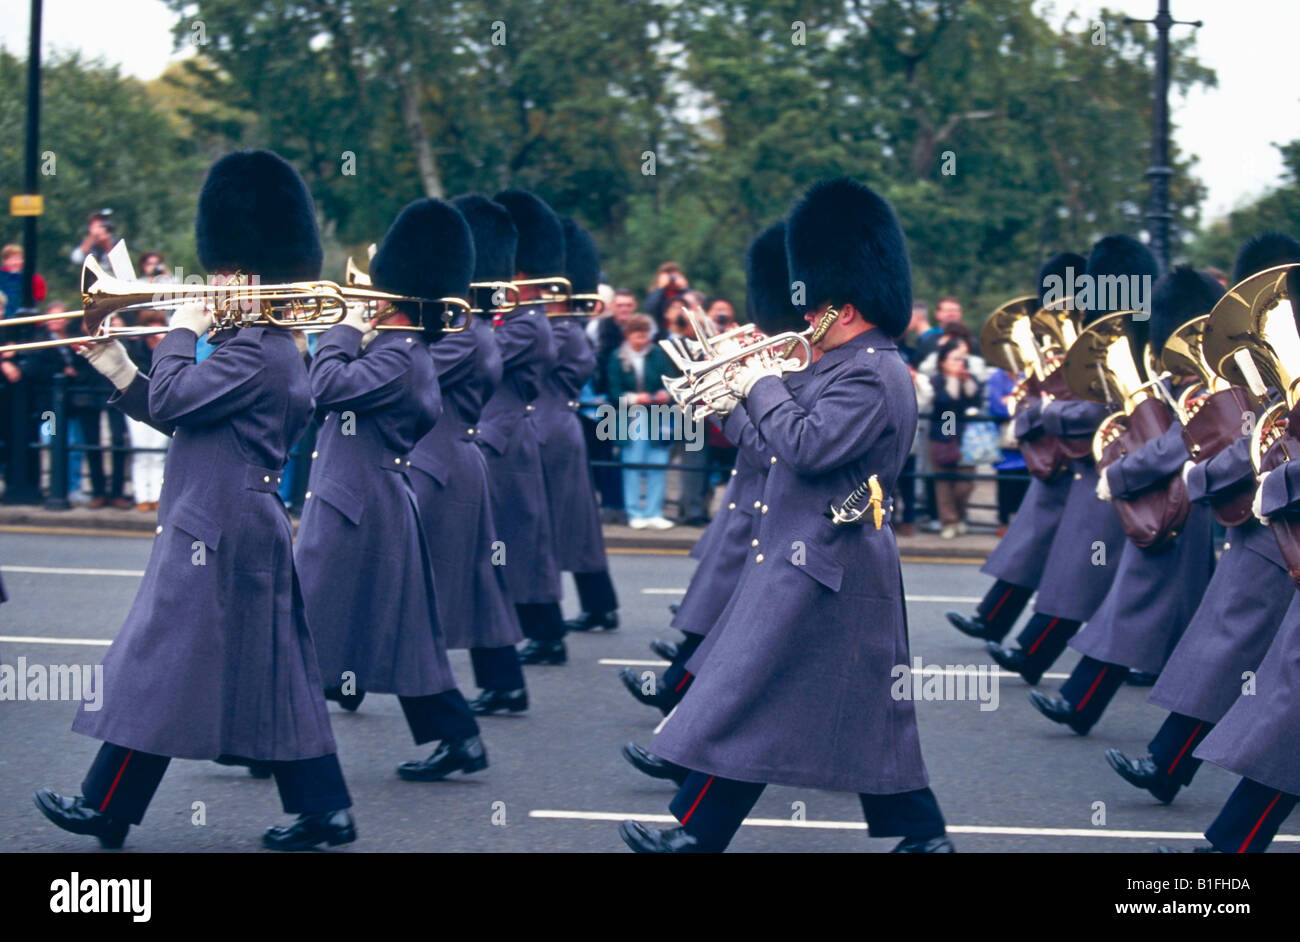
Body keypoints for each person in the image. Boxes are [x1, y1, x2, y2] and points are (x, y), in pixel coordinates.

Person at [34, 150, 355, 851]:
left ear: (253, 275)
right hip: (234, 522)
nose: (211, 285)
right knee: (278, 674)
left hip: (219, 526)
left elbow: (180, 395)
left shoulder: (258, 351)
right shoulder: (251, 346)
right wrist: (118, 366)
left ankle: (106, 808)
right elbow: (179, 409)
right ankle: (324, 810)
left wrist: (180, 325)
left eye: (221, 276)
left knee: (163, 660)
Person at [621, 178, 953, 854]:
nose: (808, 319)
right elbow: (778, 434)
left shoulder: (873, 373)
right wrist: (734, 391)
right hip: (818, 558)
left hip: (827, 562)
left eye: (819, 308)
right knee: (863, 711)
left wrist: (759, 382)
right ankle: (922, 834)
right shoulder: (841, 364)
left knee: (749, 691)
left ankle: (695, 835)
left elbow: (806, 445)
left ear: (849, 307)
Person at [294, 198, 488, 782]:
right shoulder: (398, 352)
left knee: (299, 626)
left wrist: (344, 327)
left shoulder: (399, 359)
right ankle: (459, 738)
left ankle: (275, 745)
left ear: (396, 300)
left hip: (356, 506)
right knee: (407, 639)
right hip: (369, 501)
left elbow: (322, 386)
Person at [1108, 234, 1300, 804]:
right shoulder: (1263, 373)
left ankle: (1181, 778)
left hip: (1274, 526)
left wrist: (1201, 480)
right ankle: (1171, 767)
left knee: (1241, 656)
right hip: (1273, 526)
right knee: (1238, 657)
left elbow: (1259, 450)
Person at [619, 221, 809, 723]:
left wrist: (726, 406)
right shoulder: (778, 352)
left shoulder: (800, 364)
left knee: (733, 623)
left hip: (772, 508)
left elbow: (776, 446)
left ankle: (682, 701)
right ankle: (680, 694)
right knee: (721, 614)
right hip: (749, 500)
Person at [1027, 266, 1219, 735]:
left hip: (1180, 511)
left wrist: (1120, 472)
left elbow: (1179, 445)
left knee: (1157, 617)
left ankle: (1091, 707)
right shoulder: (1178, 384)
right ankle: (1086, 706)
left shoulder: (1202, 390)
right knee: (1150, 615)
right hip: (1174, 506)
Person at [982, 236, 1143, 685]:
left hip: (1120, 470)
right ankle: (1036, 656)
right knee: (1086, 575)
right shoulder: (1109, 341)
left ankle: (1044, 660)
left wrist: (1048, 412)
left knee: (1094, 578)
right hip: (1093, 470)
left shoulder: (1129, 348)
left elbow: (1107, 410)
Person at [419, 194, 528, 715]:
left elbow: (402, 379)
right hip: (454, 461)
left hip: (436, 465)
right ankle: (505, 681)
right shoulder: (472, 328)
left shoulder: (463, 335)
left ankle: (449, 725)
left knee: (415, 594)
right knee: (481, 581)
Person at [946, 253, 1086, 642]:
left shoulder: (1090, 345)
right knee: (1029, 547)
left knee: (1079, 564)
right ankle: (991, 619)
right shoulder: (1054, 344)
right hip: (1055, 459)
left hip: (1085, 461)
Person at [484, 189, 568, 666]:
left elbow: (480, 362)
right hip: (501, 434)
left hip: (506, 435)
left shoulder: (526, 325)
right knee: (518, 540)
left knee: (517, 541)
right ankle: (545, 631)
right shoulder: (516, 319)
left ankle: (541, 633)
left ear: (520, 276)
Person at [540, 218, 621, 633]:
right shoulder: (558, 327)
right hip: (555, 428)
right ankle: (599, 604)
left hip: (551, 429)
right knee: (576, 526)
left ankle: (577, 609)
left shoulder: (560, 330)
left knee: (558, 527)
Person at [607, 313, 675, 529]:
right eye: (638, 337)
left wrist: (666, 394)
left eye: (645, 337)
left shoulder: (658, 354)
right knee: (632, 465)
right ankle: (634, 512)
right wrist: (636, 398)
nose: (643, 341)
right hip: (631, 417)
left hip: (658, 415)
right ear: (628, 335)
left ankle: (654, 512)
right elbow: (613, 392)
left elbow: (670, 382)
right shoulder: (617, 357)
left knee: (658, 462)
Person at [928, 337, 982, 539]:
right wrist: (951, 379)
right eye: (954, 359)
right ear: (943, 362)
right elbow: (945, 401)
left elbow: (975, 398)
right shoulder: (937, 380)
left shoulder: (969, 377)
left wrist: (966, 380)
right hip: (942, 434)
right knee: (943, 482)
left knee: (965, 481)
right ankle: (949, 521)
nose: (959, 363)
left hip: (966, 437)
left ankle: (959, 515)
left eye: (961, 359)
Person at [123, 310, 169, 509]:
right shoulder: (135, 348)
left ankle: (157, 495)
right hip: (140, 403)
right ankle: (142, 495)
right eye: (151, 324)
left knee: (158, 452)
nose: (155, 329)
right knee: (140, 451)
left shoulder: (168, 348)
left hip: (162, 402)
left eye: (158, 323)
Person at [644, 262, 689, 334]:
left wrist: (685, 288)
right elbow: (649, 308)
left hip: (684, 330)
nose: (672, 280)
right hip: (662, 332)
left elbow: (693, 305)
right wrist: (660, 288)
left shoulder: (684, 292)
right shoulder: (657, 293)